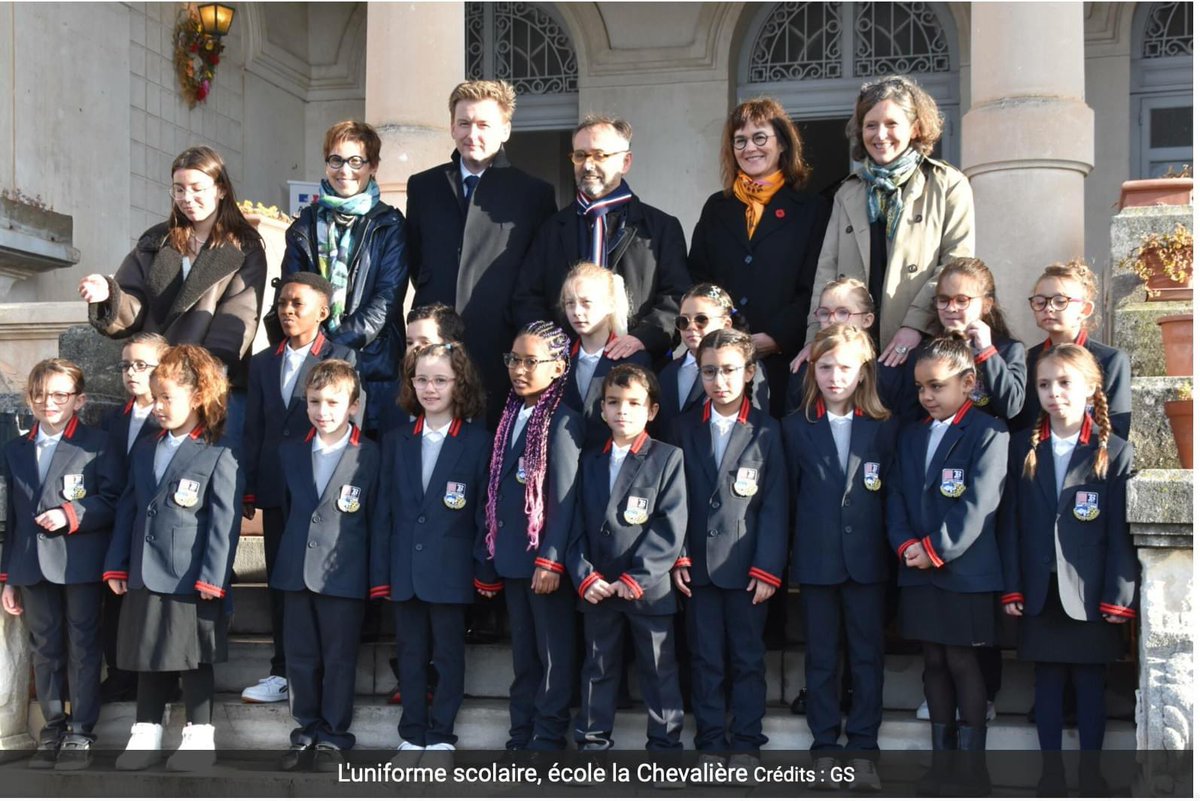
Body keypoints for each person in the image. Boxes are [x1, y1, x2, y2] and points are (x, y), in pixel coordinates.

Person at [103, 345, 243, 772]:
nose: (159, 407)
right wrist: (117, 563)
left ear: (197, 397)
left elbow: (225, 521)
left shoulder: (219, 453)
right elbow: (130, 506)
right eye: (156, 397)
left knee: (193, 657)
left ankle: (199, 737)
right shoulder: (145, 448)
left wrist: (213, 578)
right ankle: (146, 732)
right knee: (148, 654)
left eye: (168, 398)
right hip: (146, 572)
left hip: (191, 578)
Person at [1000, 345, 1136, 770]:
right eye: (1044, 384)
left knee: (1091, 684)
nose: (1053, 393)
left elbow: (1120, 533)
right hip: (1040, 590)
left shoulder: (1113, 450)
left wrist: (1120, 595)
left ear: (1092, 387)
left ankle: (1091, 776)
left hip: (1091, 592)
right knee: (1048, 682)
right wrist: (1012, 586)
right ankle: (1052, 776)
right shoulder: (1021, 446)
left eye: (1064, 383)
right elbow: (1010, 525)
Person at [80, 146, 266, 447]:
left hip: (210, 383)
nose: (187, 198)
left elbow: (238, 318)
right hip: (155, 380)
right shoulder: (157, 240)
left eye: (197, 188)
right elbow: (133, 303)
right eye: (179, 190)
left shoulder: (244, 245)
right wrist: (109, 296)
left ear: (220, 190)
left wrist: (197, 376)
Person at [782, 325, 897, 792]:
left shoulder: (885, 426)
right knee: (822, 657)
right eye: (825, 367)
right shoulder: (795, 427)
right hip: (816, 562)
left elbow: (893, 494)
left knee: (867, 655)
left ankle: (863, 745)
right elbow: (787, 499)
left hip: (868, 563)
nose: (834, 377)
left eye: (845, 367)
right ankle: (825, 745)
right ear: (813, 370)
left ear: (863, 372)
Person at [796, 74, 974, 373]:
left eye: (892, 124)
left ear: (915, 127)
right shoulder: (847, 192)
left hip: (921, 343)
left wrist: (915, 325)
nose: (880, 135)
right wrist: (816, 335)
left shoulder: (947, 184)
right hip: (850, 346)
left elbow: (956, 265)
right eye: (870, 125)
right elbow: (826, 270)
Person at [886, 336, 1007, 767]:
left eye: (936, 386)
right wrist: (905, 545)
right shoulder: (912, 434)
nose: (926, 396)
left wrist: (935, 549)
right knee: (933, 659)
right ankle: (942, 760)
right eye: (920, 387)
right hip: (917, 567)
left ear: (968, 382)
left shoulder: (988, 432)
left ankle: (971, 767)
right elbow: (896, 493)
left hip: (964, 569)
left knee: (962, 659)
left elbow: (979, 504)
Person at [406, 80, 557, 426]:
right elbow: (418, 260)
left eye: (484, 124)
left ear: (505, 130)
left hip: (498, 344)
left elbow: (538, 273)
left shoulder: (533, 193)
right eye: (464, 123)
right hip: (435, 344)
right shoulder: (423, 186)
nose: (472, 133)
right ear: (451, 126)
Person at [672, 329, 787, 776]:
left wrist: (768, 566)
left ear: (750, 372)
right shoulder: (683, 428)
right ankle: (710, 742)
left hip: (746, 569)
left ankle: (746, 742)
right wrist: (679, 555)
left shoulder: (767, 431)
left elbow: (775, 506)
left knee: (746, 656)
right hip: (697, 568)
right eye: (710, 371)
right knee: (704, 657)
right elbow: (672, 498)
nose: (719, 380)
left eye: (730, 370)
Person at [240, 273, 356, 706]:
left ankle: (322, 669)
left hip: (322, 489)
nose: (287, 310)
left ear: (323, 312)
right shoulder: (264, 362)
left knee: (321, 580)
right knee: (280, 581)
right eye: (283, 303)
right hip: (276, 485)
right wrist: (251, 486)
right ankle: (281, 669)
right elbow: (254, 427)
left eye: (297, 304)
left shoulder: (343, 356)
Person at [375, 343, 490, 757]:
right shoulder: (396, 440)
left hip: (451, 570)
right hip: (404, 570)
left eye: (440, 380)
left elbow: (482, 512)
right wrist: (381, 574)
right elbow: (384, 511)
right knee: (409, 653)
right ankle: (412, 732)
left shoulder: (478, 442)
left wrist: (482, 569)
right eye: (421, 379)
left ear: (459, 384)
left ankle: (441, 734)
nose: (429, 388)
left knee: (447, 655)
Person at [1, 359, 116, 770]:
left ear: (78, 400)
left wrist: (72, 514)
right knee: (45, 650)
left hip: (78, 565)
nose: (49, 402)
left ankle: (80, 732)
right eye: (40, 394)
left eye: (60, 394)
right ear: (29, 398)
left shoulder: (97, 444)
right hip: (31, 567)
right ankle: (52, 728)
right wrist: (8, 577)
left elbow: (112, 500)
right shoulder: (15, 449)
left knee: (83, 649)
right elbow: (13, 518)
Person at [476, 321, 584, 751]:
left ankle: (548, 734)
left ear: (558, 368)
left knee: (553, 654)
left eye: (530, 362)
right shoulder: (509, 416)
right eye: (513, 360)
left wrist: (552, 559)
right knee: (524, 656)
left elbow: (566, 498)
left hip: (544, 564)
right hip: (513, 558)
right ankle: (521, 732)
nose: (519, 370)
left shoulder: (562, 423)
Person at [568, 364, 687, 752]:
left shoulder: (667, 458)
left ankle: (665, 751)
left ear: (651, 410)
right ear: (601, 409)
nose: (623, 411)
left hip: (647, 591)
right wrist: (585, 575)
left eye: (634, 403)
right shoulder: (588, 461)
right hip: (599, 588)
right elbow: (576, 526)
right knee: (598, 668)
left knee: (658, 671)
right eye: (614, 403)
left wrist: (637, 578)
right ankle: (592, 746)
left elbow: (670, 528)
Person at [272, 361, 384, 771]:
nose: (323, 411)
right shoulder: (290, 452)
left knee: (338, 658)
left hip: (344, 574)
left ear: (353, 406)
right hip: (295, 570)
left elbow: (376, 518)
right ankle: (304, 731)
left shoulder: (370, 455)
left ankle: (334, 735)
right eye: (315, 402)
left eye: (334, 402)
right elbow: (287, 509)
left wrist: (374, 579)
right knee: (300, 656)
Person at [688, 97, 831, 416]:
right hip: (721, 360)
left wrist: (776, 337)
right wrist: (715, 332)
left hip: (783, 361)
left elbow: (815, 285)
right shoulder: (717, 207)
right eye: (740, 140)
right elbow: (699, 278)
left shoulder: (812, 208)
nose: (749, 147)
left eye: (759, 137)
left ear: (781, 143)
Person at [513, 115, 692, 366]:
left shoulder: (661, 228)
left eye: (600, 155)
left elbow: (677, 297)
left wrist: (643, 338)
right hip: (565, 369)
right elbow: (527, 297)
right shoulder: (552, 229)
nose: (588, 165)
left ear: (626, 161)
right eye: (580, 155)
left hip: (638, 369)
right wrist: (552, 345)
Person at [275, 120, 407, 436]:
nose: (344, 170)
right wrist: (314, 349)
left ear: (372, 166)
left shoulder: (389, 225)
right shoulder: (305, 224)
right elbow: (292, 293)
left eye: (355, 161)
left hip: (372, 368)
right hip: (315, 368)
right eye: (336, 160)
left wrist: (331, 347)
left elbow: (385, 302)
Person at [99, 333, 170, 705]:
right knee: (115, 605)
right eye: (126, 365)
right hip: (117, 524)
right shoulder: (115, 418)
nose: (131, 373)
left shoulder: (170, 418)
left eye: (142, 365)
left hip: (157, 526)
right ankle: (120, 674)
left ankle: (159, 678)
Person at [1014, 260, 1132, 439]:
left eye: (1060, 301)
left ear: (1085, 309)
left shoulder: (1111, 360)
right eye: (1040, 302)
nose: (1049, 308)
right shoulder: (1027, 359)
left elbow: (1117, 430)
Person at [785, 278, 920, 424]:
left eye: (843, 312)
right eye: (824, 313)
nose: (832, 320)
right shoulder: (803, 374)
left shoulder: (888, 377)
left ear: (867, 320)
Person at [654, 284, 769, 442]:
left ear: (726, 324)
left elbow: (756, 426)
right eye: (683, 321)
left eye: (701, 319)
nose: (691, 327)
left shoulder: (744, 369)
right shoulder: (668, 371)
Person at [560, 262, 652, 449]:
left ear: (610, 304)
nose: (577, 312)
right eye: (570, 303)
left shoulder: (634, 360)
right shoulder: (559, 358)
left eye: (586, 303)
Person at [933, 257, 1025, 421]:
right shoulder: (928, 351)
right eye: (943, 300)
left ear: (986, 304)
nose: (951, 308)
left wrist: (987, 352)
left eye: (962, 300)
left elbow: (1011, 406)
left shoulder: (1008, 349)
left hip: (984, 440)